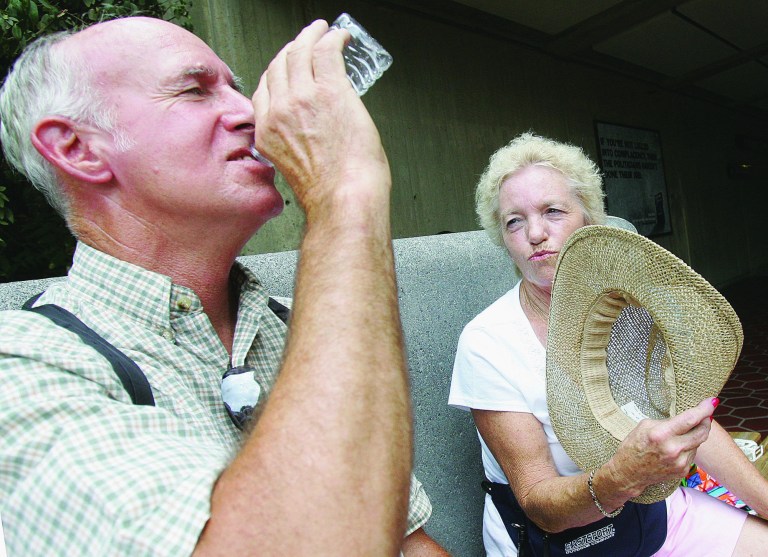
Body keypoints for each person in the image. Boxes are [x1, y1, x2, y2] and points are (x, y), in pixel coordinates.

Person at [0, 16, 449, 556]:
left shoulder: (296, 323)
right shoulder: (24, 365)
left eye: (236, 88)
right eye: (194, 90)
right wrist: (344, 191)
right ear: (78, 149)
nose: (250, 112)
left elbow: (412, 545)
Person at [449, 132, 768, 556]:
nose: (536, 233)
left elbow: (690, 428)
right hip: (565, 540)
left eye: (553, 211)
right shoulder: (486, 342)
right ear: (502, 238)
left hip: (652, 514)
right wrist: (622, 476)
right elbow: (539, 505)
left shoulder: (626, 309)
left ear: (587, 219)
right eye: (514, 221)